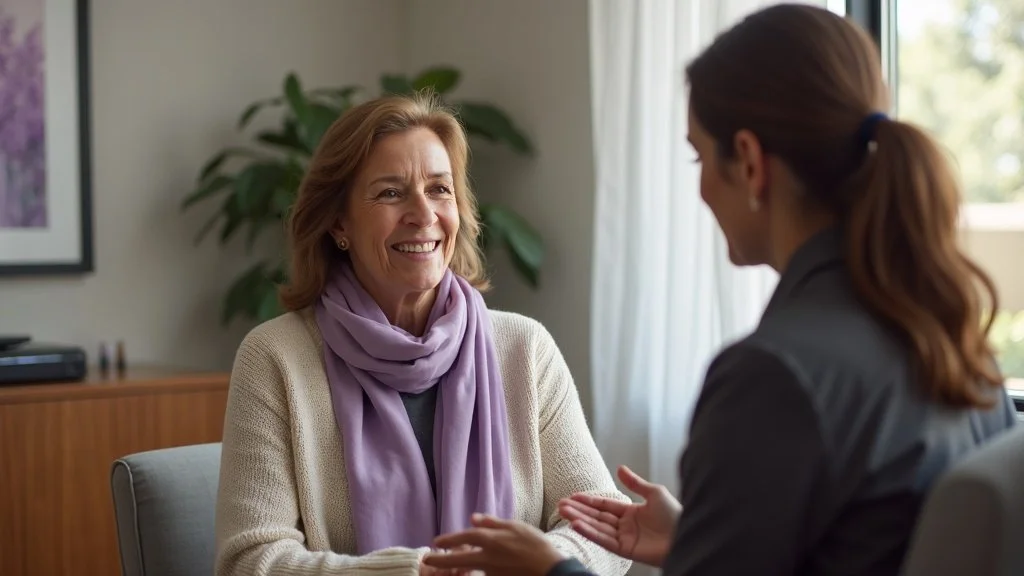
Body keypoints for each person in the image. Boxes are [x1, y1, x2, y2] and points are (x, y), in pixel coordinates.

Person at [420, 4, 1018, 576]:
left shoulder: (773, 377)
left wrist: (553, 570)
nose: (702, 187)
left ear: (751, 163)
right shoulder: (949, 339)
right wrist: (698, 541)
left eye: (697, 157)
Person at [213, 93, 632, 576]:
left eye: (439, 189)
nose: (424, 214)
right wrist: (420, 572)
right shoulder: (276, 357)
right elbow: (249, 562)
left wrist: (535, 567)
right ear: (338, 222)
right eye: (391, 193)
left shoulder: (523, 348)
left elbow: (601, 526)